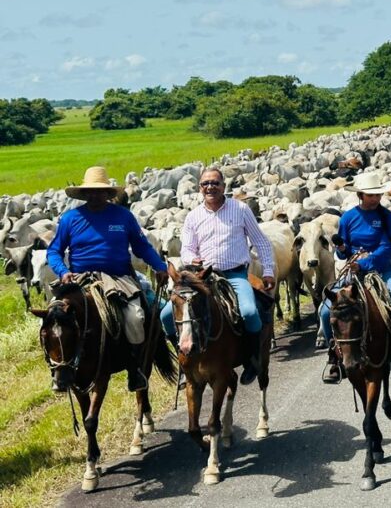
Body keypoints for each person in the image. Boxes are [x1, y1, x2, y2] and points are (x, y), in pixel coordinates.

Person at [46, 166, 170, 392]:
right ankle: (60, 368)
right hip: (81, 279)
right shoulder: (71, 218)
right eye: (90, 192)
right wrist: (63, 271)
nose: (95, 196)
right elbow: (54, 251)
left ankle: (135, 367)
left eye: (100, 191)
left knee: (134, 317)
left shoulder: (123, 216)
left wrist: (161, 266)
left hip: (119, 278)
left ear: (108, 193)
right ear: (84, 194)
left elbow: (142, 246)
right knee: (53, 320)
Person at [180, 167, 276, 385]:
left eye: (215, 183)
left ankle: (252, 358)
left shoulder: (240, 209)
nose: (210, 187)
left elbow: (260, 241)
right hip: (202, 277)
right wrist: (191, 258)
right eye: (205, 184)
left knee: (251, 312)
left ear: (224, 186)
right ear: (199, 188)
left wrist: (268, 270)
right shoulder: (193, 216)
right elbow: (186, 248)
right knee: (168, 315)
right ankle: (186, 361)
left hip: (234, 275)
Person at [319, 171, 391, 384]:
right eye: (371, 195)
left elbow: (388, 247)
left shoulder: (387, 217)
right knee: (325, 311)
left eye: (378, 195)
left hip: (382, 268)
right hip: (352, 271)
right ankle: (334, 357)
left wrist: (363, 263)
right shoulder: (348, 218)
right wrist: (343, 249)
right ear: (360, 195)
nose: (375, 199)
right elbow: (342, 252)